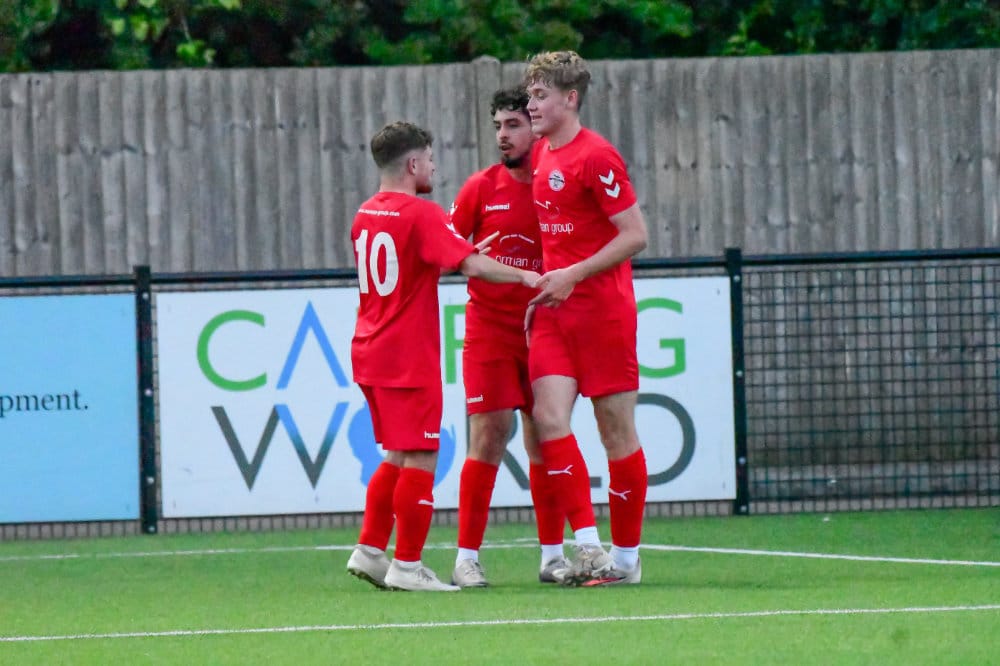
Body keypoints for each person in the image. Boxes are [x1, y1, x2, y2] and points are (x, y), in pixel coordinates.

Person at [345, 121, 540, 592]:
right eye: (430, 160)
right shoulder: (422, 213)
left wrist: (461, 251)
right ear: (413, 164)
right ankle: (408, 565)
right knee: (423, 455)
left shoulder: (365, 213)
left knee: (397, 452)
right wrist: (523, 276)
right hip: (407, 356)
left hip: (370, 350)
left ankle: (370, 550)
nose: (434, 168)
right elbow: (472, 266)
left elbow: (415, 266)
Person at [523, 51, 649, 586]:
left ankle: (627, 560)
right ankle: (590, 546)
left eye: (541, 95)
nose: (531, 105)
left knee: (615, 431)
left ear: (570, 99)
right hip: (555, 314)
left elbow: (635, 235)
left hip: (603, 314)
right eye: (530, 95)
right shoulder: (540, 154)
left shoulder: (597, 156)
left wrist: (574, 273)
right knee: (548, 419)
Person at [448, 88, 569, 588]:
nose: (503, 134)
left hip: (545, 330)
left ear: (536, 128)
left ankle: (553, 556)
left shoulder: (556, 187)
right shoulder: (480, 187)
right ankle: (466, 558)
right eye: (498, 125)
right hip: (490, 332)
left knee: (546, 438)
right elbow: (446, 250)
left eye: (514, 124)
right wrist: (468, 255)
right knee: (488, 436)